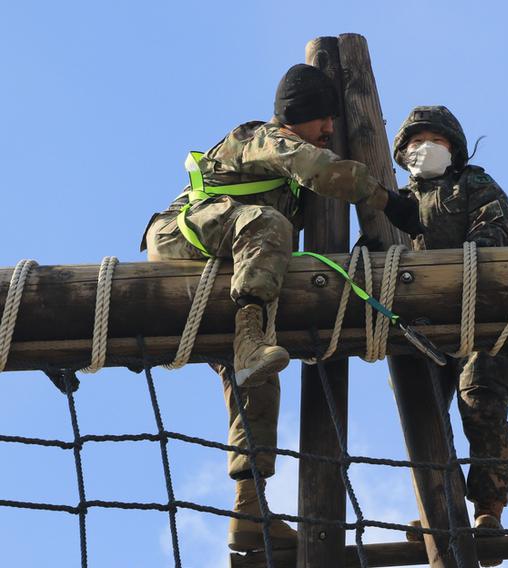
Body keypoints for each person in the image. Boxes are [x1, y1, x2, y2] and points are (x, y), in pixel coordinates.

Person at [140, 64, 421, 552]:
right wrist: (386, 200)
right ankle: (249, 339)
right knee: (269, 226)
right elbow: (317, 168)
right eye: (322, 119)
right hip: (181, 233)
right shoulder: (262, 138)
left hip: (232, 258)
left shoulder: (295, 180)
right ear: (297, 117)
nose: (329, 129)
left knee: (258, 376)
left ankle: (249, 508)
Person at [392, 106, 508, 565]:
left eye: (434, 139)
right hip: (420, 327)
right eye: (414, 140)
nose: (423, 147)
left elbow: (494, 230)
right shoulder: (393, 202)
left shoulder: (474, 186)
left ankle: (488, 510)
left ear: (454, 148)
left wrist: (459, 269)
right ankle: (436, 509)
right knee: (423, 416)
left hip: (480, 319)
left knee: (481, 402)